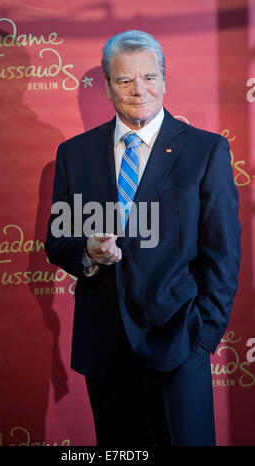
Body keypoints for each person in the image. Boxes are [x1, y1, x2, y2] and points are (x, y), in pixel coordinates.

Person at [45, 30, 241, 446]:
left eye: (149, 77)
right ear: (108, 85)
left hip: (178, 342)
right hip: (105, 349)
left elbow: (223, 253)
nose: (139, 90)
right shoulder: (75, 154)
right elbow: (57, 240)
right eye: (125, 80)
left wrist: (202, 337)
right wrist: (88, 252)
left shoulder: (205, 151)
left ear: (165, 81)